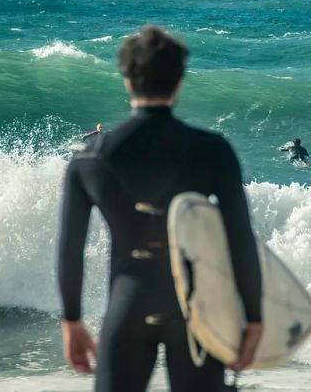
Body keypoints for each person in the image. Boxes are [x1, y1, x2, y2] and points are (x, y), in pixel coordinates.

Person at [58, 25, 263, 392]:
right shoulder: (213, 150)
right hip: (196, 314)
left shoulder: (88, 159)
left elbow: (70, 249)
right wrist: (254, 318)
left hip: (127, 307)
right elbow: (240, 238)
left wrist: (71, 320)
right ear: (179, 82)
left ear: (127, 80)